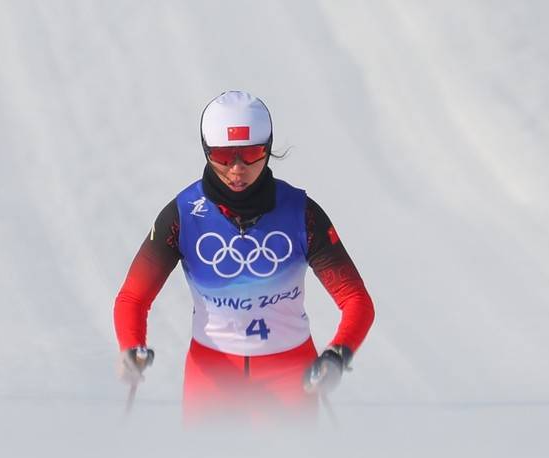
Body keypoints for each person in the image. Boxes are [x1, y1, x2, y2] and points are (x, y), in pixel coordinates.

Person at [113, 91, 374, 422]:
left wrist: (338, 355)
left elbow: (356, 300)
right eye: (223, 157)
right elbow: (133, 298)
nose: (237, 169)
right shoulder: (183, 215)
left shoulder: (301, 214)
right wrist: (131, 347)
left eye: (251, 154)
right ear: (206, 151)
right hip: (212, 378)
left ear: (268, 148)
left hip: (290, 378)